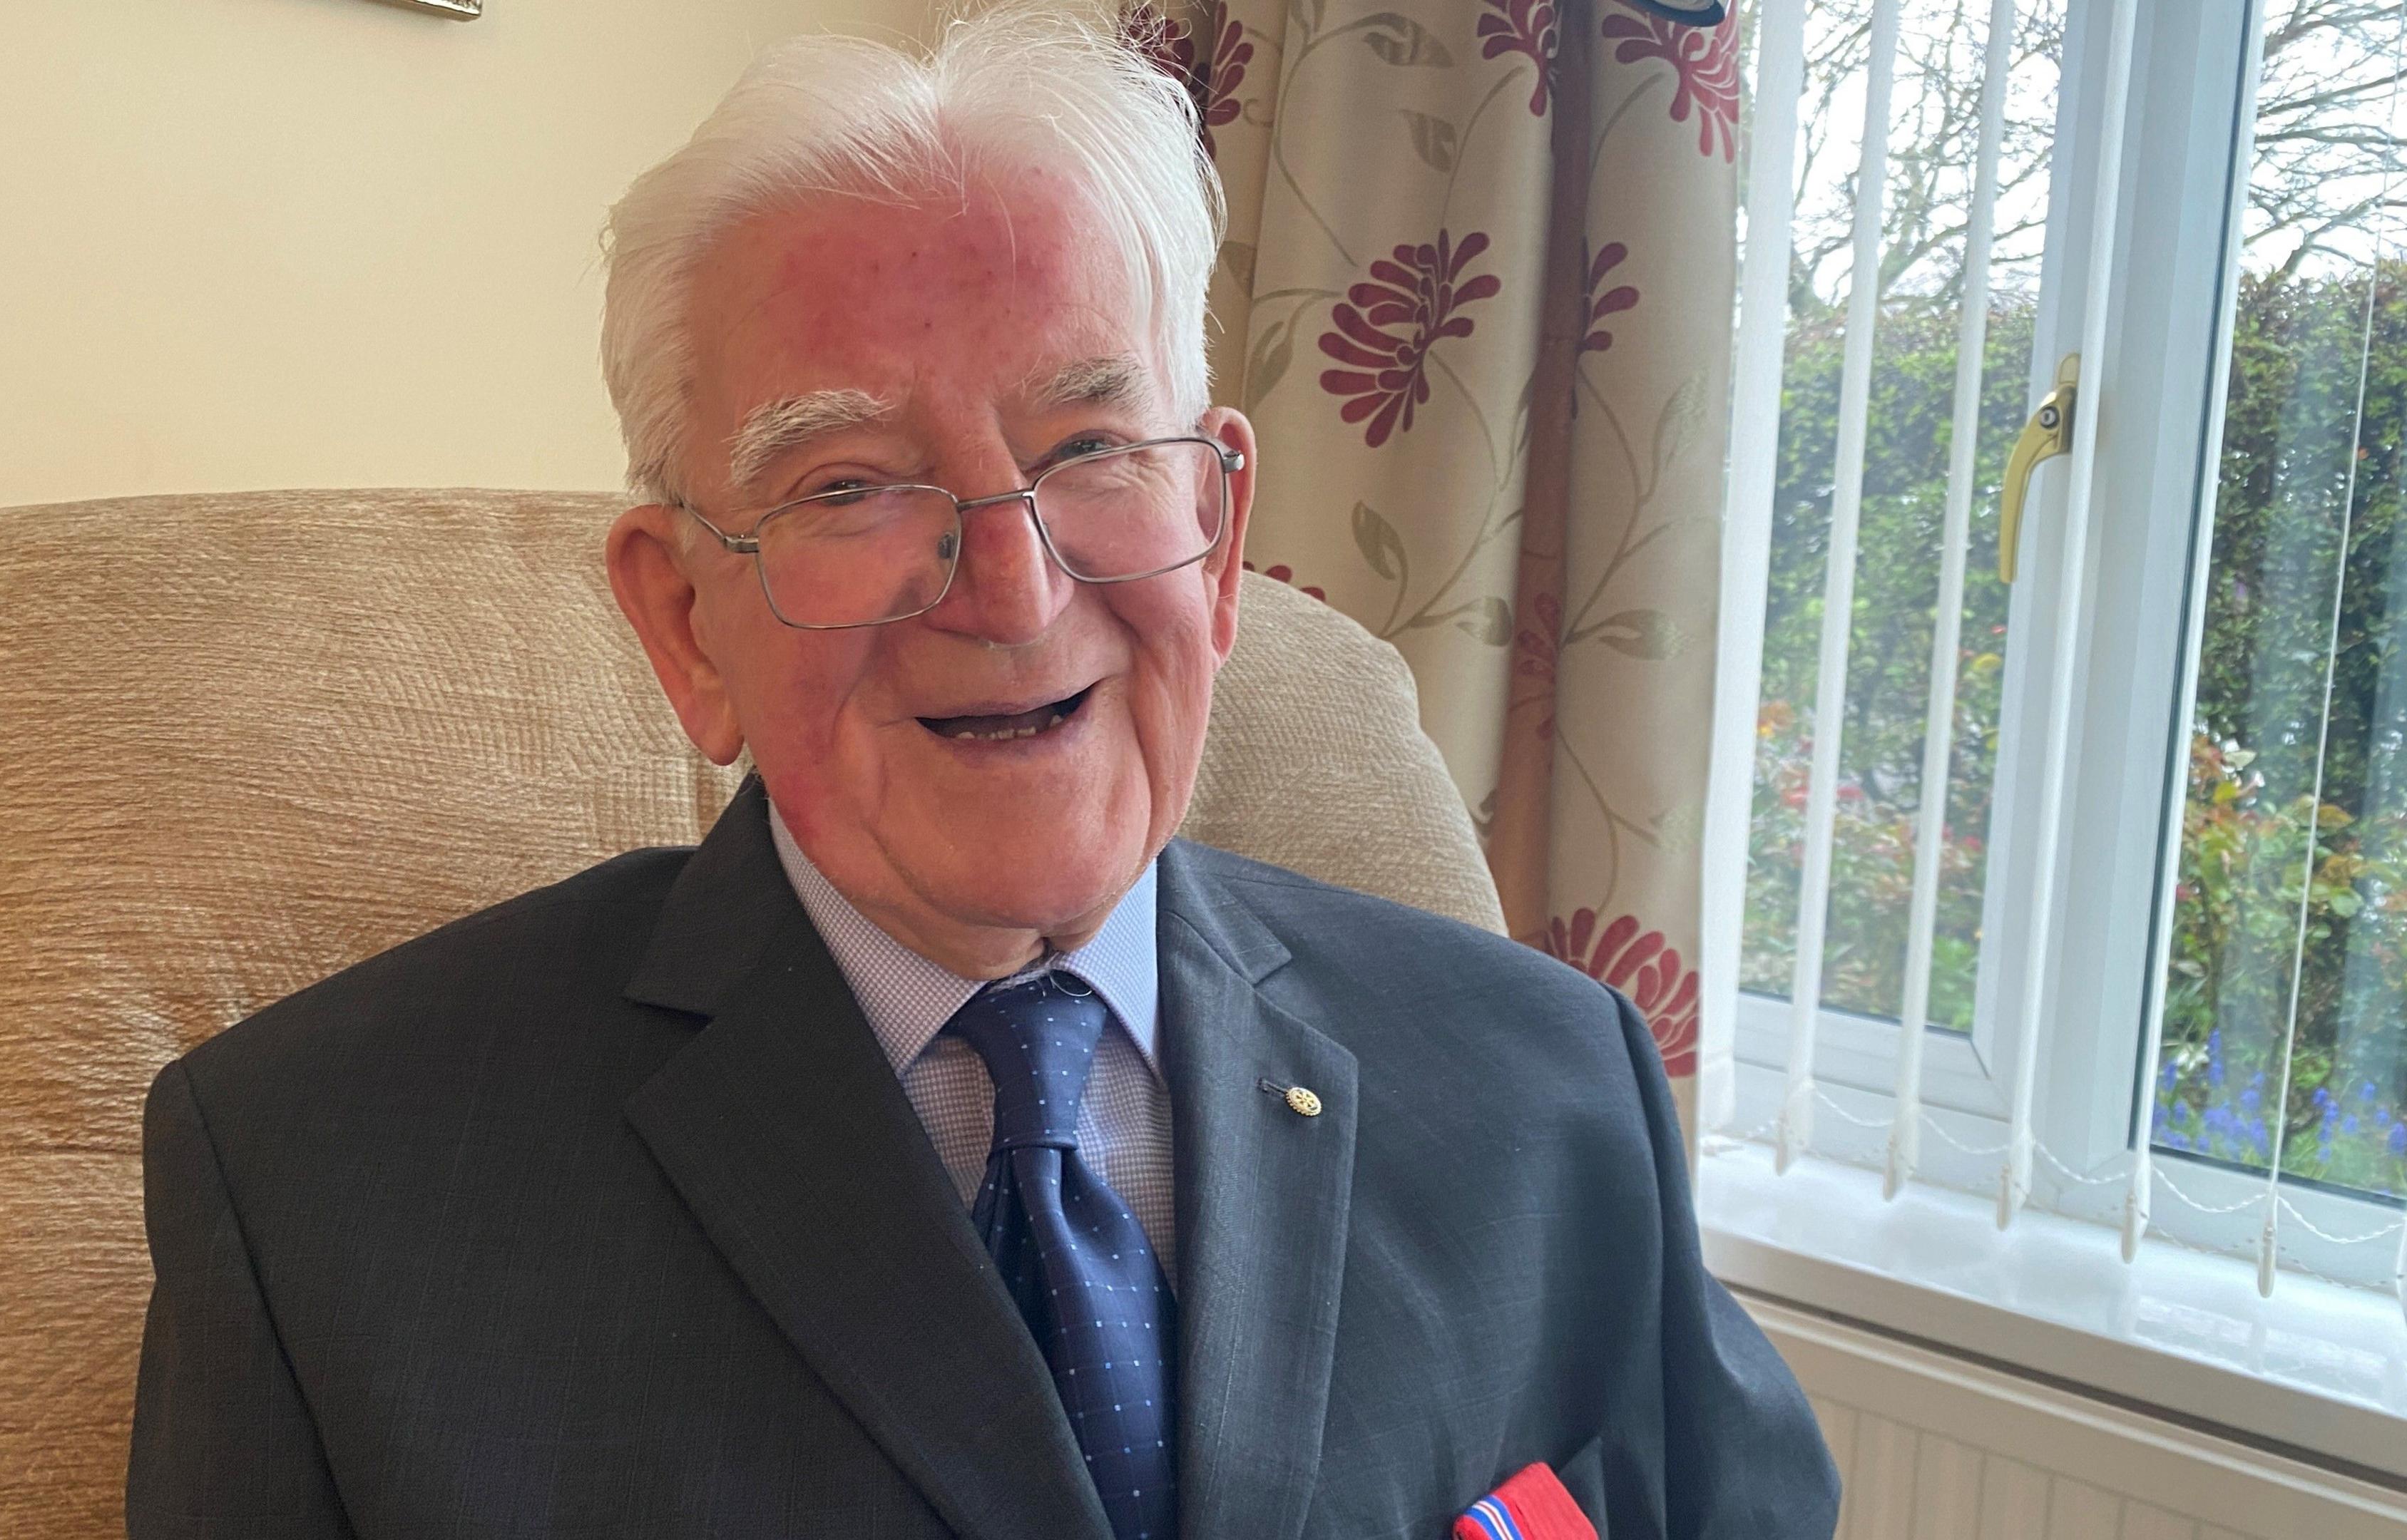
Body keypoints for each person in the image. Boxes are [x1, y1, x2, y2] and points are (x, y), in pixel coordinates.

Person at [123, 7, 1839, 1537]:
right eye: (850, 485)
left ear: (1221, 537)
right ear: (686, 624)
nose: (1011, 592)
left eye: (1091, 447)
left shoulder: (1555, 1093)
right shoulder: (318, 1185)